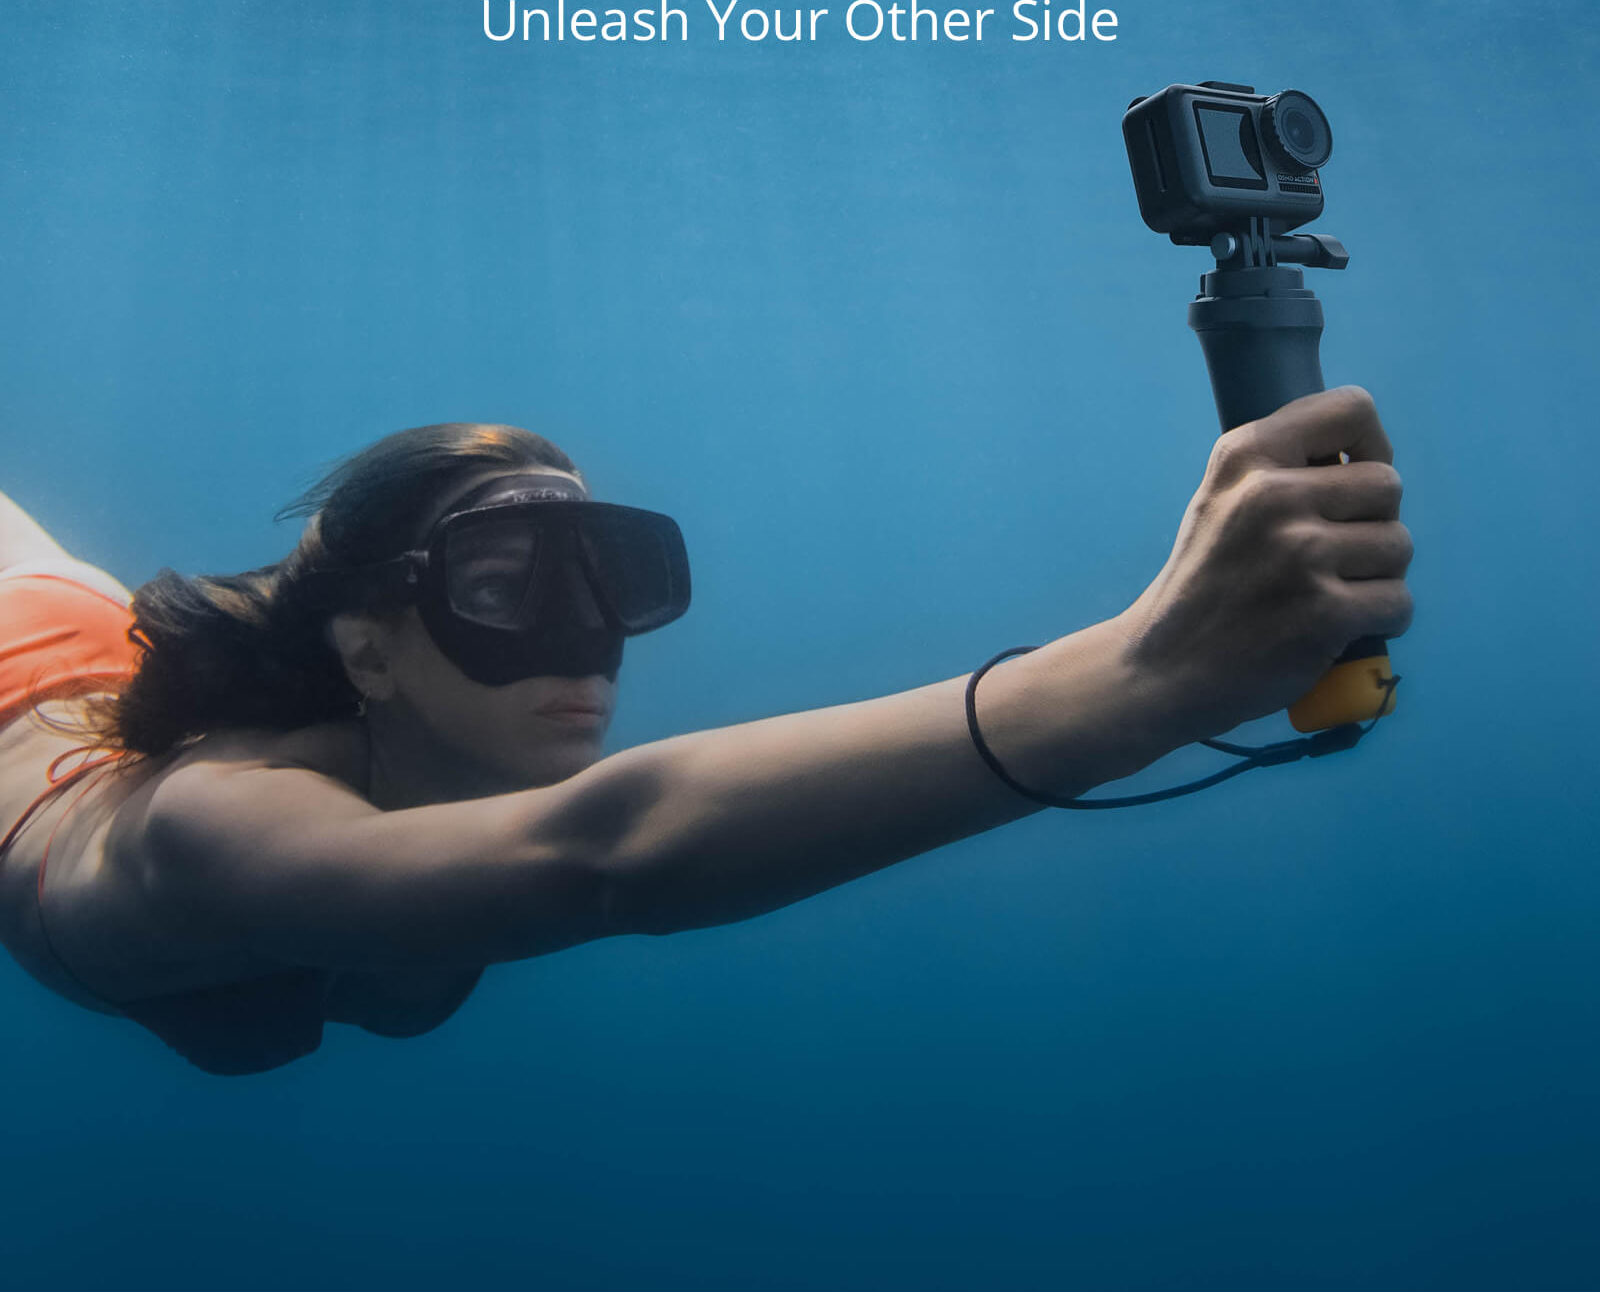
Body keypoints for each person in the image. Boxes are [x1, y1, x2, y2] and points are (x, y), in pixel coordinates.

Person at [0, 392, 1412, 1075]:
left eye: (613, 579)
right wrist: (1139, 678)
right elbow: (611, 853)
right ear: (374, 644)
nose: (581, 636)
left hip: (102, 646)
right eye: (506, 586)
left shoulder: (415, 730)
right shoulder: (212, 827)